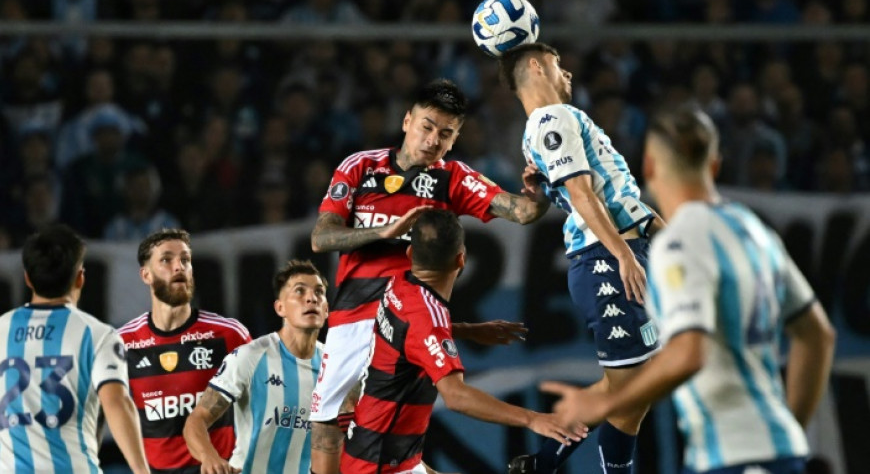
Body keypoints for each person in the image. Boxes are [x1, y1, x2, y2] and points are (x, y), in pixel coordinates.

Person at [543, 109, 837, 474]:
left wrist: (606, 403)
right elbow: (818, 335)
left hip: (734, 456)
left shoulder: (678, 242)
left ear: (648, 167)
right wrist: (786, 430)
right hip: (777, 450)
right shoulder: (755, 231)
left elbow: (688, 353)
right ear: (714, 165)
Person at [310, 79, 545, 474]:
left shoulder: (453, 178)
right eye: (428, 126)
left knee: (392, 437)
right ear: (407, 121)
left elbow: (520, 212)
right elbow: (322, 237)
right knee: (328, 422)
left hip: (407, 322)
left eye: (446, 133)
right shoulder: (360, 166)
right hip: (352, 317)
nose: (434, 140)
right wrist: (381, 232)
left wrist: (538, 196)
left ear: (455, 139)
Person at [499, 43, 665, 474]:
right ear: (536, 66)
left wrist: (654, 233)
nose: (567, 73)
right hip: (606, 259)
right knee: (631, 390)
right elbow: (581, 193)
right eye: (558, 65)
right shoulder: (551, 119)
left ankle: (541, 464)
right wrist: (624, 253)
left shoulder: (542, 129)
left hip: (621, 250)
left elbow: (613, 192)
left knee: (633, 384)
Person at [340, 209, 586, 474]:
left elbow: (411, 334)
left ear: (411, 255)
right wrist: (532, 419)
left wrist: (467, 330)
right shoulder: (427, 318)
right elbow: (456, 396)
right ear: (461, 260)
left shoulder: (399, 283)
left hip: (377, 450)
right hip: (379, 465)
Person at [0, 224, 149, 473]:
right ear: (80, 278)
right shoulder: (97, 335)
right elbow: (117, 403)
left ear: (27, 278)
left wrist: (7, 435)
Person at [118, 228, 252, 473]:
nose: (179, 267)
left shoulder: (229, 335)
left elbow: (262, 404)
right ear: (145, 274)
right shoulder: (122, 343)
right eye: (166, 260)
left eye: (185, 260)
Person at [183, 259, 329, 473]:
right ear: (280, 308)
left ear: (326, 309)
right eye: (299, 291)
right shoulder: (250, 357)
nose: (311, 298)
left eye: (319, 292)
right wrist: (210, 457)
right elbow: (196, 420)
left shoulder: (333, 366)